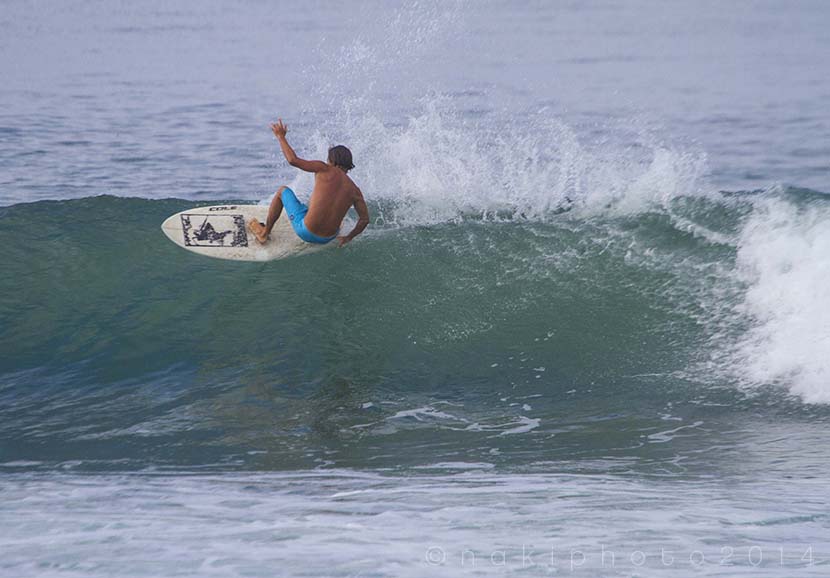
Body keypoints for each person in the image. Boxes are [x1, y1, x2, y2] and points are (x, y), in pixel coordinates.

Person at [248, 119, 370, 247]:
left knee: (282, 191)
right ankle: (333, 226)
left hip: (306, 231)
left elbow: (293, 160)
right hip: (328, 238)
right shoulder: (355, 191)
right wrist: (348, 237)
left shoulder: (324, 168)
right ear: (348, 166)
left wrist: (281, 137)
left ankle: (264, 233)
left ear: (331, 161)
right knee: (329, 207)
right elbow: (364, 220)